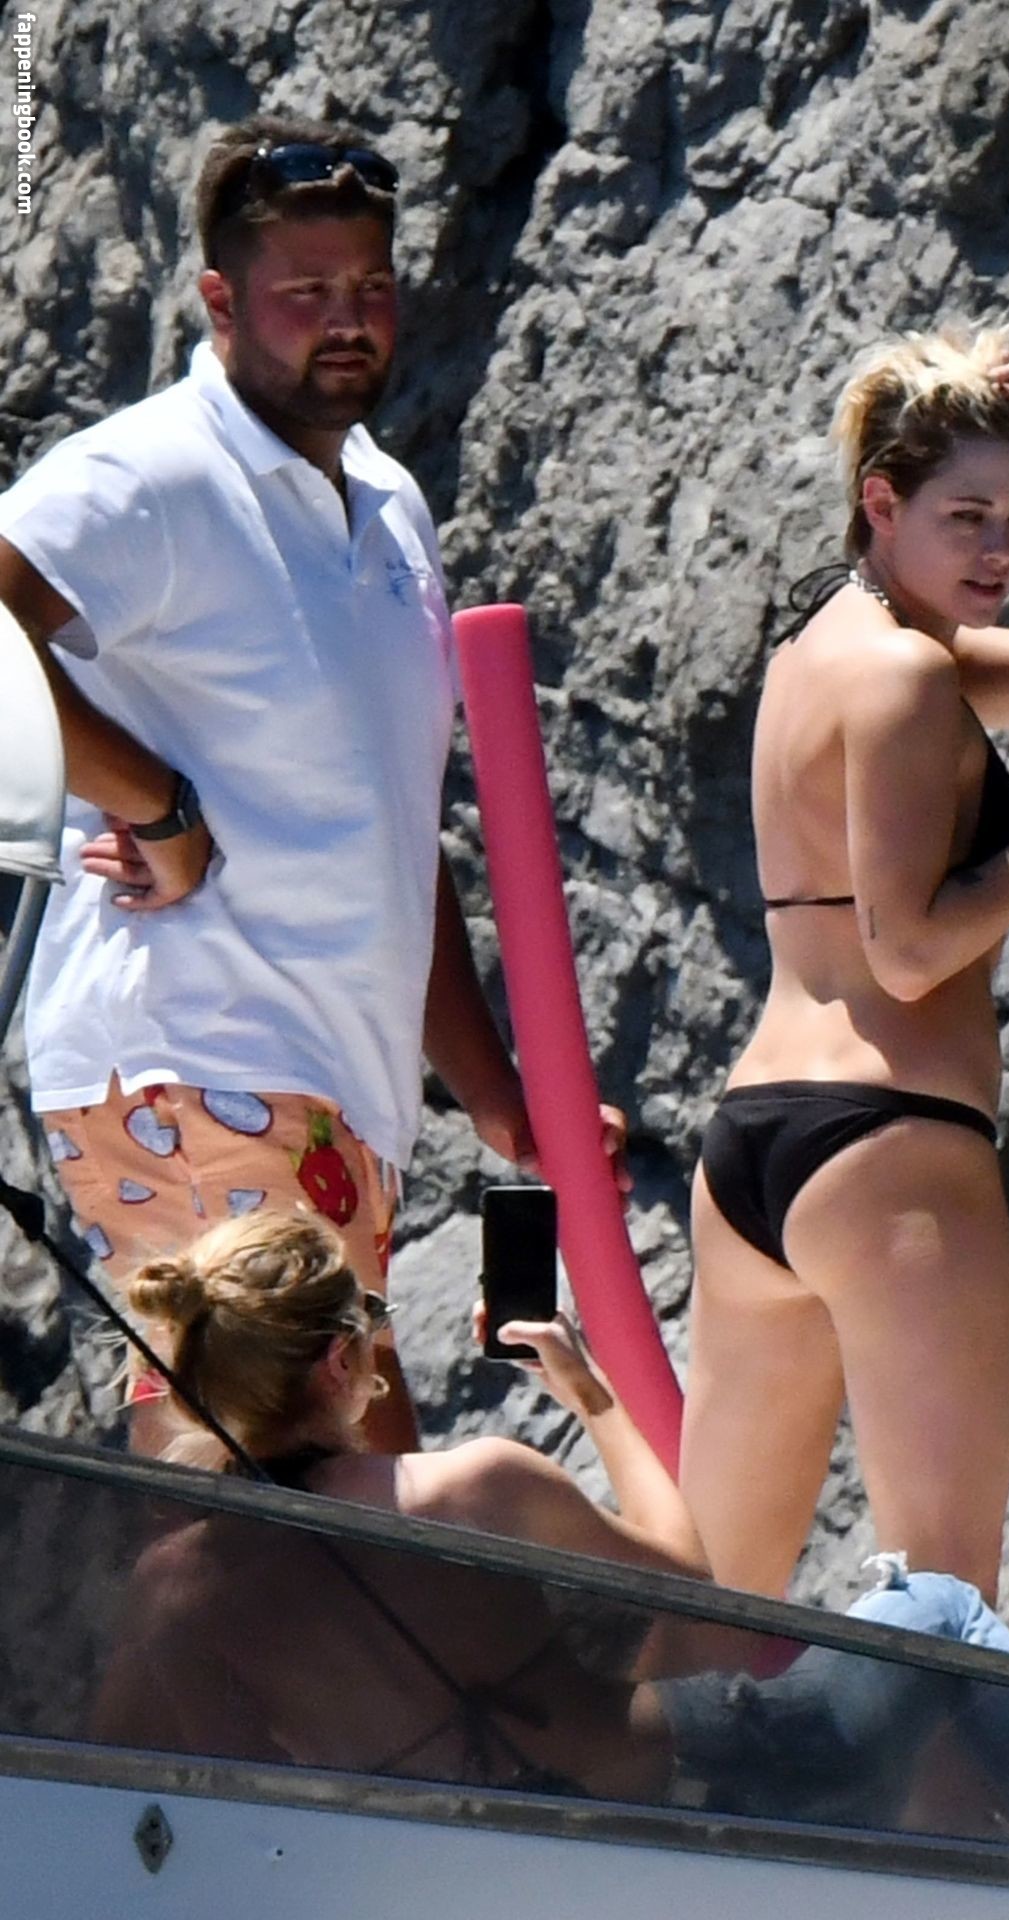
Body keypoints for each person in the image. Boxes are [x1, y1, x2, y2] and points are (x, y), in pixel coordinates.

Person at [0, 113, 622, 1452]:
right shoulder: (147, 472)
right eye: (305, 292)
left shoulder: (391, 503)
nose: (347, 320)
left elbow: (392, 833)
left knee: (265, 1502)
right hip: (196, 1050)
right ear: (219, 300)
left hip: (332, 1083)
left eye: (371, 286)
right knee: (334, 1500)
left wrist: (494, 1094)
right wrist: (156, 803)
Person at [92, 1206, 1009, 1851]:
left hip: (475, 1868)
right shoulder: (473, 1484)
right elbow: (690, 1581)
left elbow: (227, 1794)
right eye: (370, 1322)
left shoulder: (173, 1590)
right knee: (944, 1614)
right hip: (696, 1779)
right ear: (337, 1363)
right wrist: (590, 1392)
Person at [680, 324, 1009, 1603]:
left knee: (707, 1606)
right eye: (967, 517)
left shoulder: (824, 651)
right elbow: (907, 954)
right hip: (891, 1142)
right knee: (947, 1606)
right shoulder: (911, 675)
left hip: (753, 1152)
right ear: (880, 503)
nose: (1001, 551)